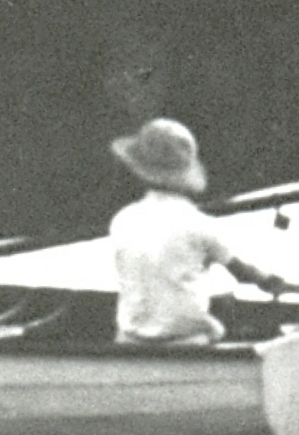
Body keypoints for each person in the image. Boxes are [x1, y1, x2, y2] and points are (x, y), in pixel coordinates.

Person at [107, 118, 284, 345]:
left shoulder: (122, 220)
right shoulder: (200, 224)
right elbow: (242, 273)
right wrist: (268, 281)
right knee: (213, 330)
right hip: (186, 341)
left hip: (130, 341)